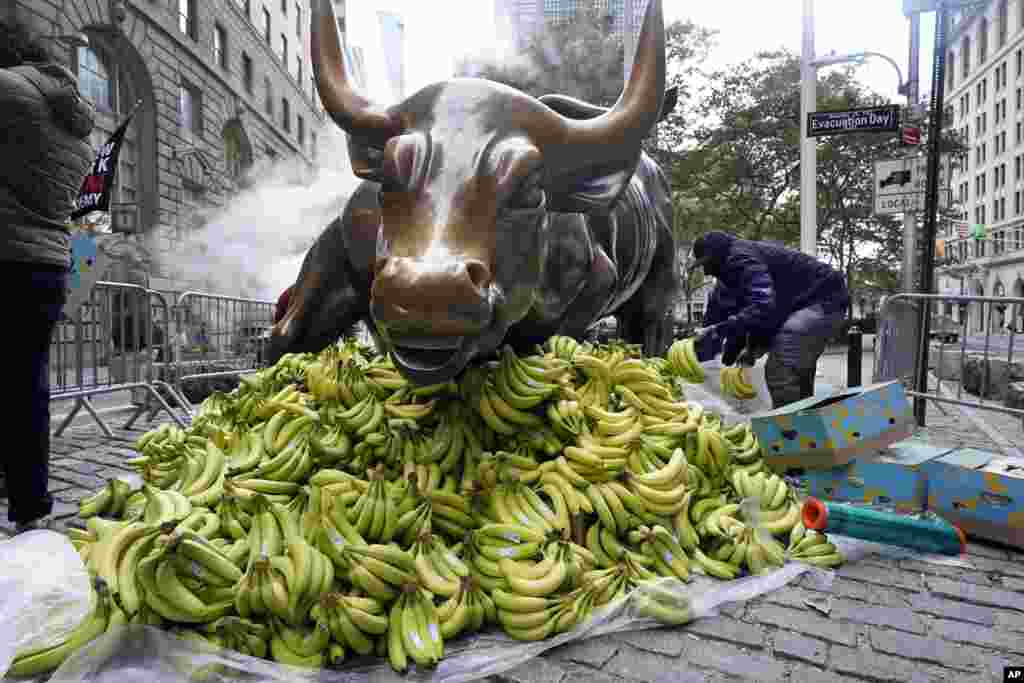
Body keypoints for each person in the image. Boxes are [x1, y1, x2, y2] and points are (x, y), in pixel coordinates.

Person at [0, 20, 95, 532]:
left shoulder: (7, 91)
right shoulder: (76, 131)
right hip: (47, 266)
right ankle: (30, 506)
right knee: (25, 386)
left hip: (7, 256)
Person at [691, 230, 850, 409]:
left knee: (781, 368)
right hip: (801, 304)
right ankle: (804, 417)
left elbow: (763, 306)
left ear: (717, 255)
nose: (706, 272)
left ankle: (788, 424)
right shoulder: (724, 288)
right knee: (797, 368)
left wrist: (722, 331)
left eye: (706, 264)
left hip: (823, 297)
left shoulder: (741, 258)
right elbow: (743, 321)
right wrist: (738, 351)